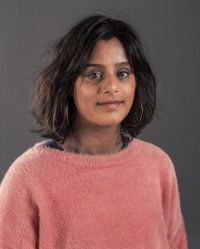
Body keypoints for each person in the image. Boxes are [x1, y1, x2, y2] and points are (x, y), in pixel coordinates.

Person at [0, 14, 188, 248]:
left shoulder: (158, 166)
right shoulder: (28, 179)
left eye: (122, 74)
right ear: (68, 84)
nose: (111, 86)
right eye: (94, 75)